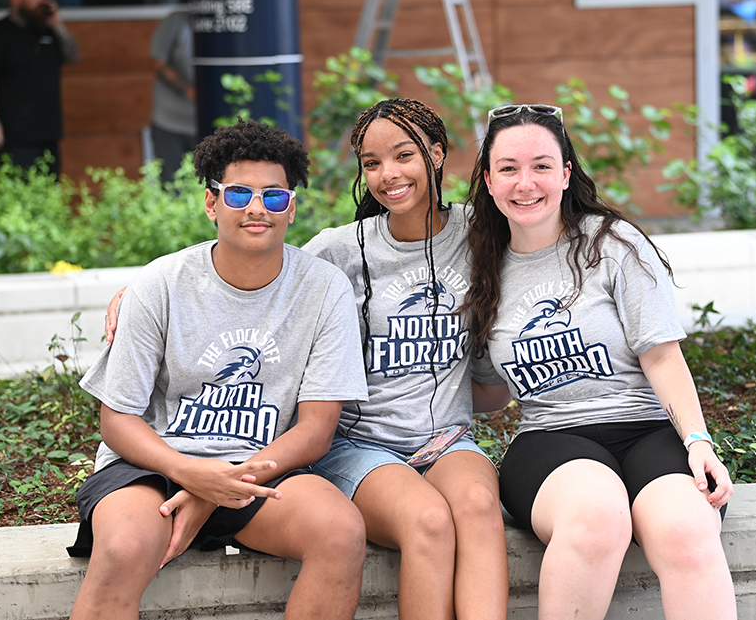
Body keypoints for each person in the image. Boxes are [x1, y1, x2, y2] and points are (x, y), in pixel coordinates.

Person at [106, 99, 510, 620]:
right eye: (371, 163)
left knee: (478, 509)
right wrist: (136, 292)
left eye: (404, 155)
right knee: (429, 521)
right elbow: (255, 262)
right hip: (355, 443)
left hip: (445, 437)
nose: (388, 175)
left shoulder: (483, 235)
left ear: (436, 154)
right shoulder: (336, 253)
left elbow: (547, 236)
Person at [68, 119, 369, 620]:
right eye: (237, 194)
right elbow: (117, 419)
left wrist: (218, 489)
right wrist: (190, 474)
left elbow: (316, 431)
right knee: (123, 549)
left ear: (291, 209)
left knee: (340, 533)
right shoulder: (161, 283)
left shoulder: (323, 288)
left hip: (264, 466)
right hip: (153, 465)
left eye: (274, 197)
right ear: (211, 203)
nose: (256, 208)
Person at [462, 104, 737, 620]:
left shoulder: (613, 246)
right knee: (596, 516)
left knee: (686, 526)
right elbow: (493, 391)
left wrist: (698, 442)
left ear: (566, 174)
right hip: (549, 441)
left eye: (542, 165)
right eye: (509, 168)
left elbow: (660, 355)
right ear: (489, 180)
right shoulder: (481, 267)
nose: (526, 183)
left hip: (647, 430)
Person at [0, 0, 81, 175]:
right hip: (14, 138)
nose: (42, 0)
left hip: (49, 136)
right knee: (18, 198)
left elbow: (73, 57)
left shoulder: (47, 31)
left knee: (48, 198)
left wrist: (57, 25)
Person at [149, 10, 197, 183]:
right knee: (171, 184)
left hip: (205, 123)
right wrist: (186, 89)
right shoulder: (177, 21)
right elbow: (158, 64)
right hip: (170, 121)